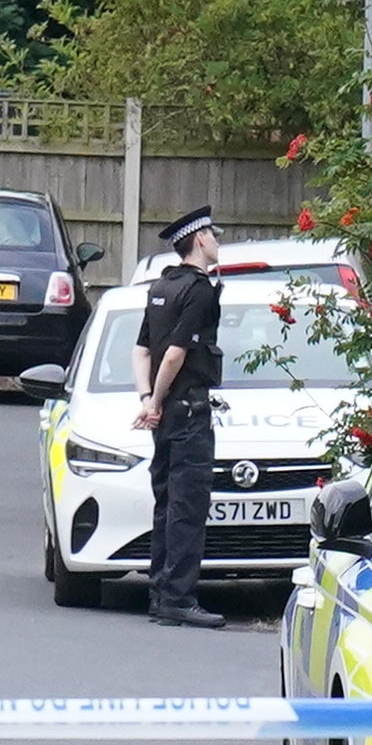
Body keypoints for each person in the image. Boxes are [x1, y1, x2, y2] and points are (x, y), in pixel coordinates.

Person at [136, 207, 235, 627]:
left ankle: (161, 594)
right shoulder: (198, 290)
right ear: (199, 240)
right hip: (189, 412)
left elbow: (142, 349)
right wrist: (156, 400)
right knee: (188, 507)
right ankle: (179, 597)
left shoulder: (162, 286)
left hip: (166, 417)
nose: (216, 241)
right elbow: (175, 353)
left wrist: (146, 398)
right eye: (213, 235)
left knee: (166, 503)